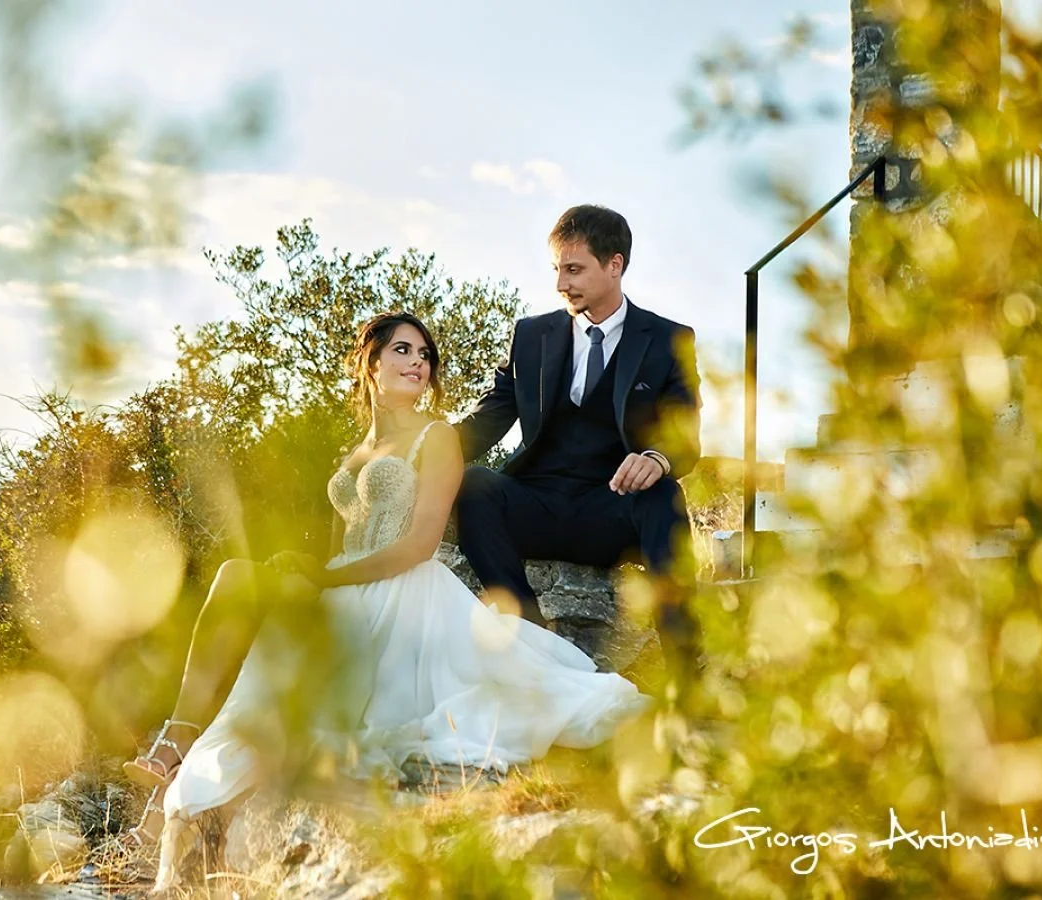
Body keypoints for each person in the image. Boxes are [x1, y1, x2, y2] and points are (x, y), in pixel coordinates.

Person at [121, 312, 650, 891]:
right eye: (403, 351)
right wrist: (310, 575)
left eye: (425, 356)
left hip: (403, 591)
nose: (418, 363)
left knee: (260, 610)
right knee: (235, 577)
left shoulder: (437, 437)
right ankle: (177, 737)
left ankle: (179, 748)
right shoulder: (352, 453)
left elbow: (421, 544)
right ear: (371, 363)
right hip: (344, 584)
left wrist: (324, 582)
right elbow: (336, 546)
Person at [454, 204, 703, 694]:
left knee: (663, 495)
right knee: (475, 485)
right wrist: (425, 445)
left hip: (610, 510)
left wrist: (655, 459)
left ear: (614, 265)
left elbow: (684, 435)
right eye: (557, 270)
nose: (561, 284)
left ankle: (686, 671)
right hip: (537, 501)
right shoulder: (530, 336)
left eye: (574, 269)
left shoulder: (669, 340)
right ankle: (529, 635)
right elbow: (491, 415)